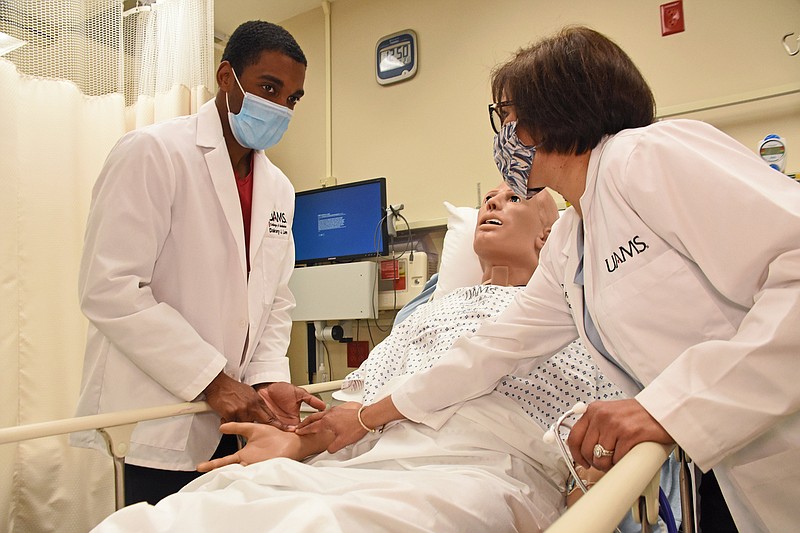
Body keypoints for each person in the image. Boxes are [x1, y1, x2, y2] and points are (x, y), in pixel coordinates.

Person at [297, 26, 800, 532]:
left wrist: (669, 408)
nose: (504, 136)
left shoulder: (644, 156)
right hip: (731, 459)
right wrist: (364, 416)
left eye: (509, 116)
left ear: (557, 107)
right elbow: (492, 349)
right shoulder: (571, 239)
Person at [90, 183, 634, 532]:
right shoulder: (427, 313)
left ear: (551, 239)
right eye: (489, 198)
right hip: (364, 461)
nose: (493, 203)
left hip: (475, 466)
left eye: (515, 198)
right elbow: (350, 414)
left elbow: (595, 425)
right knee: (186, 515)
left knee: (322, 523)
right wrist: (295, 443)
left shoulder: (571, 316)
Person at [71, 20, 325, 505]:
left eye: (292, 98)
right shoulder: (152, 152)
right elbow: (109, 287)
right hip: (157, 413)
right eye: (268, 88)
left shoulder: (279, 190)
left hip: (238, 419)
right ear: (227, 77)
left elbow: (275, 297)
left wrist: (270, 379)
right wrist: (212, 379)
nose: (279, 108)